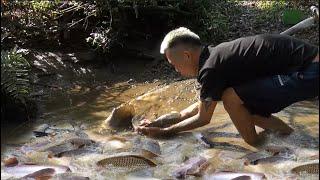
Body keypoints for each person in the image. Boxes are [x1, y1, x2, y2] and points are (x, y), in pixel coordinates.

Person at [136, 27, 319, 146]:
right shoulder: (216, 59)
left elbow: (203, 118)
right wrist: (156, 123)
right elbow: (193, 110)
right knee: (244, 109)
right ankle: (293, 139)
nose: (176, 70)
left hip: (309, 71)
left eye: (174, 64)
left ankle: (259, 145)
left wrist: (166, 133)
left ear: (186, 56)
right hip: (308, 68)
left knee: (231, 99)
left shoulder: (211, 68)